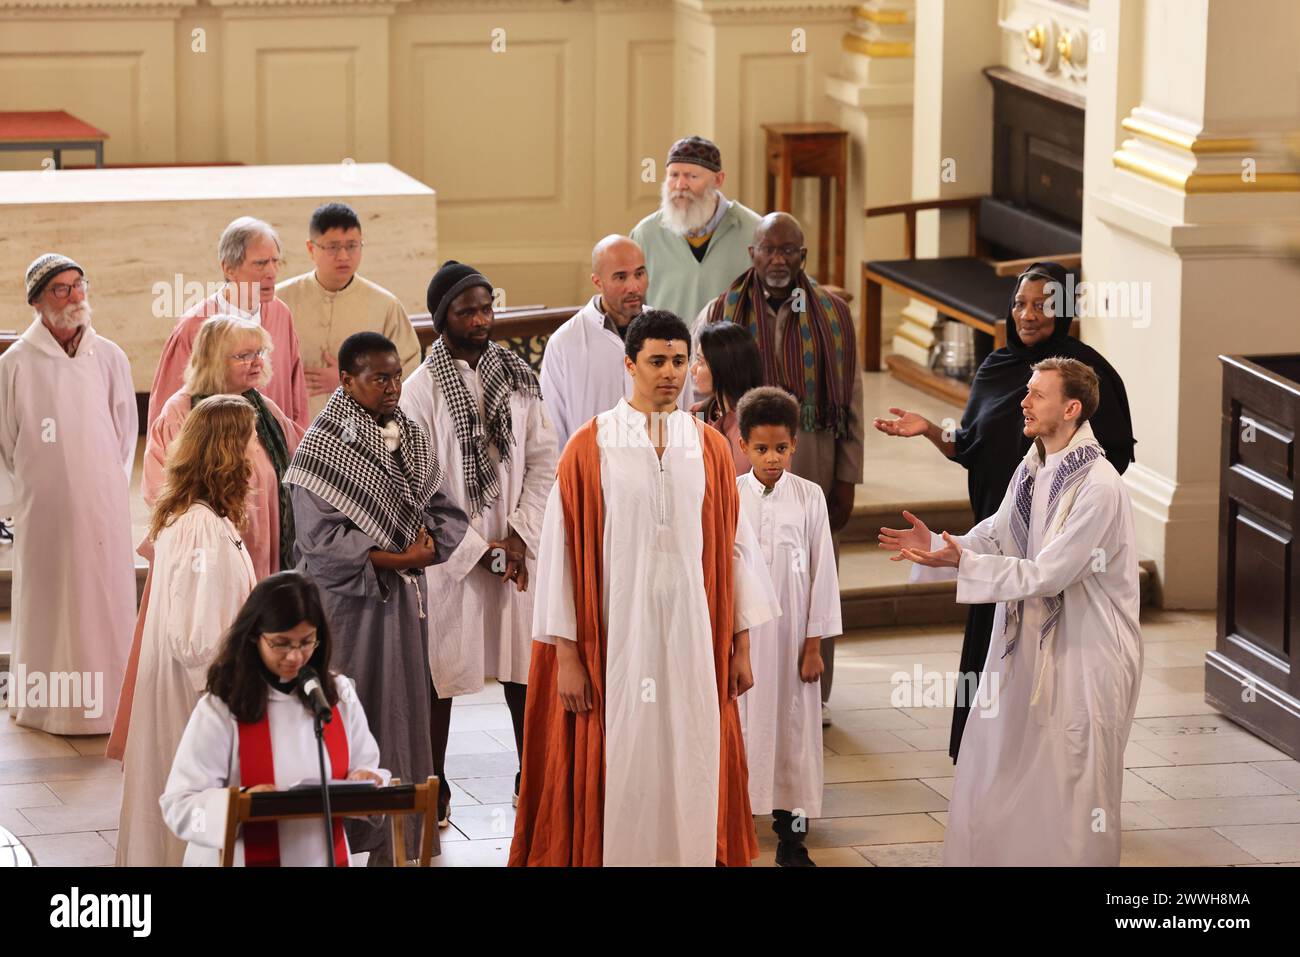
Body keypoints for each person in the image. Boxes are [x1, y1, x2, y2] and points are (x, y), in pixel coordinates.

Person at [510, 309, 778, 867]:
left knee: (690, 753)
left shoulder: (706, 446)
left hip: (692, 642)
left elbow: (734, 547)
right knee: (627, 759)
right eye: (656, 361)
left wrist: (742, 644)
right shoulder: (589, 446)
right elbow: (560, 552)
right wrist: (567, 656)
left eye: (680, 361)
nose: (670, 374)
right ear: (629, 364)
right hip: (617, 646)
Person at [873, 261, 1137, 761]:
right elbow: (969, 445)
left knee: (1045, 675)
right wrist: (931, 429)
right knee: (990, 654)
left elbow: (1113, 456)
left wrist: (1061, 503)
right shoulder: (996, 366)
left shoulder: (1088, 375)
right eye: (1020, 303)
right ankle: (983, 756)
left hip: (1057, 546)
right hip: (1000, 536)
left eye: (1042, 304)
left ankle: (1037, 771)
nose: (1028, 314)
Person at [884, 357, 1142, 865]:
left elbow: (1051, 573)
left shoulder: (1098, 485)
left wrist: (967, 563)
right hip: (1024, 641)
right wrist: (943, 544)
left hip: (1084, 651)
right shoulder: (1034, 464)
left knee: (1069, 781)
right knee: (997, 761)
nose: (1023, 401)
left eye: (1036, 394)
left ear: (1070, 409)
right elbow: (1000, 532)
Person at [284, 331, 473, 862]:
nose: (393, 387)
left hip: (402, 604)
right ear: (347, 380)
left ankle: (398, 839)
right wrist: (404, 559)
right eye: (378, 378)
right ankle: (339, 838)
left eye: (395, 375)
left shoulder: (408, 435)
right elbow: (319, 544)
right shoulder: (324, 445)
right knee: (353, 710)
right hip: (347, 608)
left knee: (403, 711)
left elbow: (445, 512)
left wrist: (424, 552)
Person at [106, 317, 304, 761]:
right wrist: (215, 534)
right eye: (243, 355)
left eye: (260, 353)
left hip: (263, 555)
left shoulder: (264, 411)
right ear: (214, 359)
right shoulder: (181, 412)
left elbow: (298, 464)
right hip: (204, 560)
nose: (256, 363)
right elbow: (163, 490)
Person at [401, 262, 558, 819]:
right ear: (443, 318)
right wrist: (475, 551)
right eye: (468, 310)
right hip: (452, 559)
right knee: (440, 674)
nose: (482, 319)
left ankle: (531, 776)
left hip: (516, 551)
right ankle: (434, 784)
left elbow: (544, 460)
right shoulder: (418, 391)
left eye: (487, 307)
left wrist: (517, 536)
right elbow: (418, 480)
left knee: (523, 670)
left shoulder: (519, 377)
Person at [700, 212, 863, 718]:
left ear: (803, 257)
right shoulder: (721, 307)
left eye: (788, 250)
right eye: (768, 249)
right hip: (740, 453)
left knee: (812, 568)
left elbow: (852, 398)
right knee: (746, 567)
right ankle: (746, 683)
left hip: (812, 453)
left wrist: (847, 475)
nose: (777, 259)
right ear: (751, 252)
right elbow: (700, 381)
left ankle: (814, 688)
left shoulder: (833, 314)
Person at [116, 395, 260, 866]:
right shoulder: (200, 526)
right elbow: (197, 637)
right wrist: (227, 703)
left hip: (193, 688)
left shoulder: (197, 515)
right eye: (248, 442)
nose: (253, 454)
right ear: (225, 451)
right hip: (196, 696)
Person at [160, 572, 389, 867]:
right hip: (242, 857)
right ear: (255, 636)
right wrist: (237, 807)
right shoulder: (223, 705)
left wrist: (366, 779)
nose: (295, 657)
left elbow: (366, 767)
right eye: (281, 643)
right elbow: (179, 808)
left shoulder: (335, 695)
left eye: (306, 642)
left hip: (319, 857)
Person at [0, 254, 137, 735]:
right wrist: (23, 498)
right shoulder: (15, 363)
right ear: (37, 300)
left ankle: (113, 704)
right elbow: (4, 440)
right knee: (51, 600)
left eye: (80, 285)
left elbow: (124, 432)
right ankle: (48, 706)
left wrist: (102, 485)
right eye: (61, 289)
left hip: (102, 506)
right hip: (44, 509)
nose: (75, 296)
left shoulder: (110, 356)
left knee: (104, 598)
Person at [735, 387, 841, 867]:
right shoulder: (731, 496)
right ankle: (731, 830)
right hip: (745, 641)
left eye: (780, 448)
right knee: (741, 731)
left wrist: (814, 643)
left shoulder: (810, 497)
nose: (772, 458)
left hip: (795, 637)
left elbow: (824, 573)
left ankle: (791, 841)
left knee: (794, 741)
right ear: (743, 446)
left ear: (794, 444)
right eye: (761, 448)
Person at [148, 216, 309, 431]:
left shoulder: (281, 314)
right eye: (260, 263)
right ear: (228, 268)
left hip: (276, 457)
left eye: (275, 261)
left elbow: (295, 392)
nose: (272, 272)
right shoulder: (194, 325)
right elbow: (165, 415)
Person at [541, 235, 690, 448]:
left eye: (639, 274)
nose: (634, 287)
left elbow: (687, 410)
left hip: (662, 469)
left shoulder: (671, 332)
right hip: (593, 472)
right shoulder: (564, 343)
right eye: (621, 277)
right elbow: (551, 428)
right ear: (597, 282)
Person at [277, 202, 422, 420]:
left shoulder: (385, 305)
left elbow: (408, 373)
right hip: (294, 425)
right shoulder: (281, 300)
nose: (344, 256)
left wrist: (352, 383)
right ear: (311, 248)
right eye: (333, 247)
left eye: (352, 245)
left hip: (363, 431)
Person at [630, 136, 762, 328]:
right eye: (674, 175)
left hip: (731, 355)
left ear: (718, 180)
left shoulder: (754, 231)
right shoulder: (645, 234)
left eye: (692, 176)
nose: (680, 185)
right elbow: (631, 307)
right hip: (664, 354)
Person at [690, 320, 764, 474]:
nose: (693, 369)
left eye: (700, 362)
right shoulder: (697, 414)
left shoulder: (763, 421)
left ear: (724, 367)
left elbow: (774, 488)